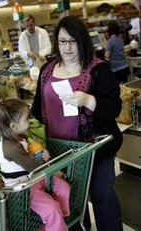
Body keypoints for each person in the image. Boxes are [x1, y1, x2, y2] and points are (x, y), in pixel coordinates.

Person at [31, 16, 123, 231]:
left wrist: (89, 100)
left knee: (102, 196)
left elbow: (114, 108)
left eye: (73, 41)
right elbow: (37, 109)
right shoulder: (46, 71)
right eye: (63, 41)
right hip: (59, 153)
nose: (68, 47)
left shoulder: (100, 70)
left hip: (95, 150)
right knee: (71, 201)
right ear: (56, 43)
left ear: (82, 41)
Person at [0, 97, 70, 231]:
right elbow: (33, 166)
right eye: (27, 119)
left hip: (33, 178)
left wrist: (41, 153)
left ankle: (57, 222)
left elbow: (31, 157)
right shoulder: (10, 147)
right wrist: (55, 171)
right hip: (22, 189)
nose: (29, 120)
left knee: (63, 187)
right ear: (13, 126)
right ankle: (55, 224)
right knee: (51, 208)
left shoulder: (18, 137)